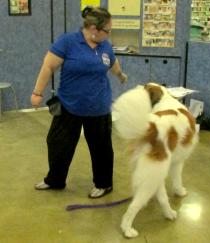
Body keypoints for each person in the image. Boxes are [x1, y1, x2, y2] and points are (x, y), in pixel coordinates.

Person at [31, 6, 127, 198]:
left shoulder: (105, 45)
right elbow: (48, 66)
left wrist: (120, 75)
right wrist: (37, 92)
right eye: (107, 31)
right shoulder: (68, 42)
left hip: (98, 108)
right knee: (58, 143)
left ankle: (103, 183)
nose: (109, 35)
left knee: (101, 149)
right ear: (93, 29)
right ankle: (55, 179)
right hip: (69, 106)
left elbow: (112, 63)